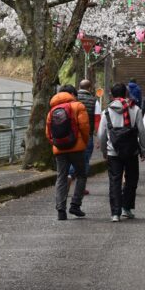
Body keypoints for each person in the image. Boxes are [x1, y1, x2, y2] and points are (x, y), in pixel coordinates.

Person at [98, 82, 145, 222]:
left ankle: (115, 213)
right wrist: (143, 149)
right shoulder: (135, 109)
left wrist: (104, 150)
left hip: (113, 152)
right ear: (126, 93)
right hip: (131, 151)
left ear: (112, 95)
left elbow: (101, 134)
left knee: (115, 181)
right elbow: (141, 132)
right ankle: (127, 208)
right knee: (131, 180)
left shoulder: (106, 111)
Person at [46, 84, 90, 220]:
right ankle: (75, 204)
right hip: (77, 148)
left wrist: (56, 144)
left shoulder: (52, 110)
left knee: (61, 177)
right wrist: (84, 142)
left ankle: (61, 210)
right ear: (72, 94)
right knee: (81, 175)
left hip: (59, 149)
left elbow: (48, 133)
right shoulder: (78, 106)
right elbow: (84, 127)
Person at [68, 79, 101, 195]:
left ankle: (69, 175)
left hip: (71, 135)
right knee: (85, 160)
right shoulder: (94, 101)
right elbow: (97, 121)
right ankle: (81, 188)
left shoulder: (72, 100)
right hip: (87, 135)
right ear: (90, 88)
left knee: (72, 158)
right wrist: (98, 138)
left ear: (79, 87)